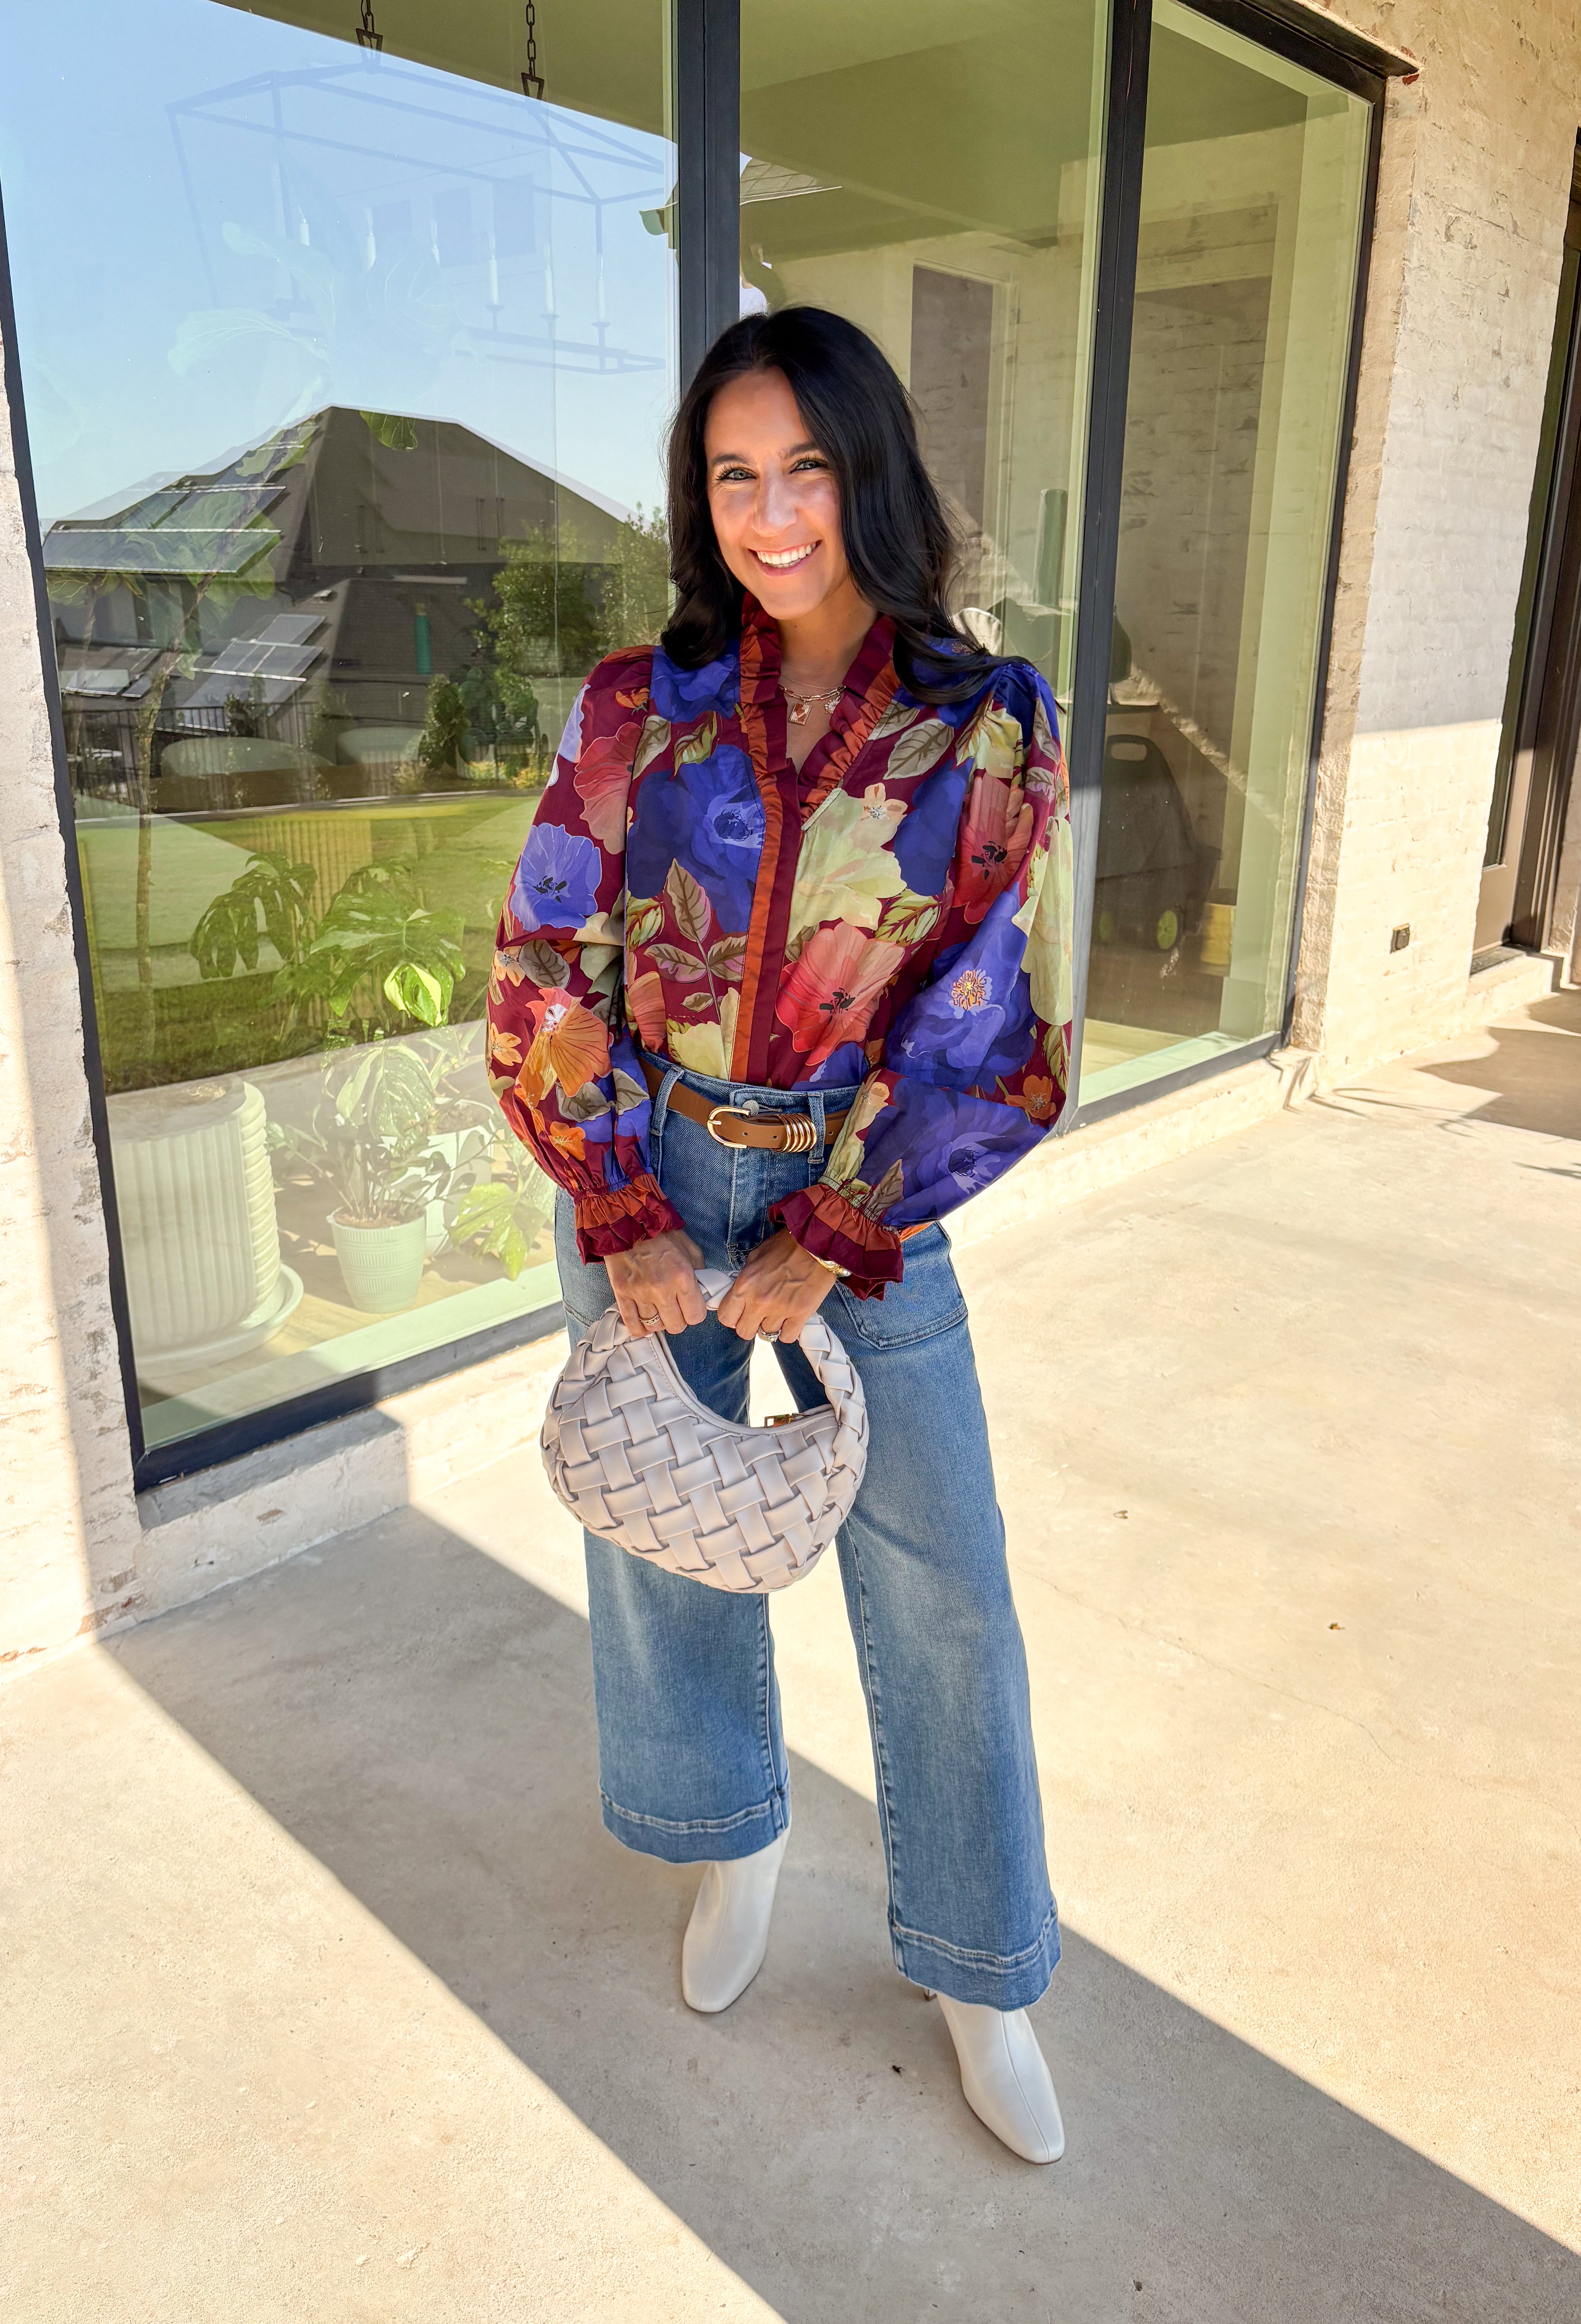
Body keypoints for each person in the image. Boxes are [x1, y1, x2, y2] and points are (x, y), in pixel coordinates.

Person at [488, 306, 1074, 2165]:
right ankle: (724, 1843)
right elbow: (549, 950)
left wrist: (838, 1223)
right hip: (652, 1164)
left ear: (867, 475)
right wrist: (619, 1202)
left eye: (806, 468)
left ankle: (980, 1966)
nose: (770, 514)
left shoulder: (984, 726)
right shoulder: (634, 707)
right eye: (733, 476)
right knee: (669, 1541)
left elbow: (986, 1006)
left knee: (946, 1578)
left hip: (861, 1192)